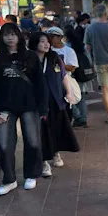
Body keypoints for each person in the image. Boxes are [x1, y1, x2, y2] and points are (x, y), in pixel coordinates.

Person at [0, 23, 47, 195]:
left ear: (19, 36)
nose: (10, 38)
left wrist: (43, 108)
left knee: (33, 142)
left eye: (13, 34)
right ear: (2, 37)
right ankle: (9, 179)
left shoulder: (30, 56)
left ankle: (31, 174)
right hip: (6, 107)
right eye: (6, 35)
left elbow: (40, 83)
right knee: (4, 144)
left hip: (29, 105)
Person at [29, 32, 79, 178]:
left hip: (56, 100)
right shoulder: (29, 60)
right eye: (42, 41)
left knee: (56, 128)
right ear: (34, 43)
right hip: (38, 102)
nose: (46, 44)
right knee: (42, 131)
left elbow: (63, 76)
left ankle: (56, 153)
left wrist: (68, 92)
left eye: (47, 41)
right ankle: (44, 161)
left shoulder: (54, 58)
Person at [64, 25, 92, 128]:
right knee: (81, 97)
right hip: (82, 73)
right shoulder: (80, 45)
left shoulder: (67, 47)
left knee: (70, 97)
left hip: (72, 75)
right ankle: (83, 119)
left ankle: (78, 117)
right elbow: (89, 59)